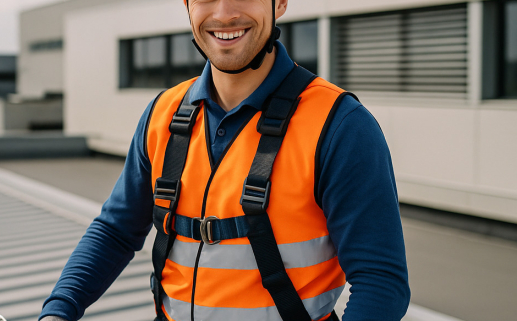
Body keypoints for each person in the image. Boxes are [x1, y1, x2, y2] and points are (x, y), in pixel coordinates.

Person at [39, 0, 410, 320]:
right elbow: (115, 232)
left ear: (279, 2)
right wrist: (59, 309)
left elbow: (380, 280)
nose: (224, 13)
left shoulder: (340, 125)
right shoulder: (163, 114)